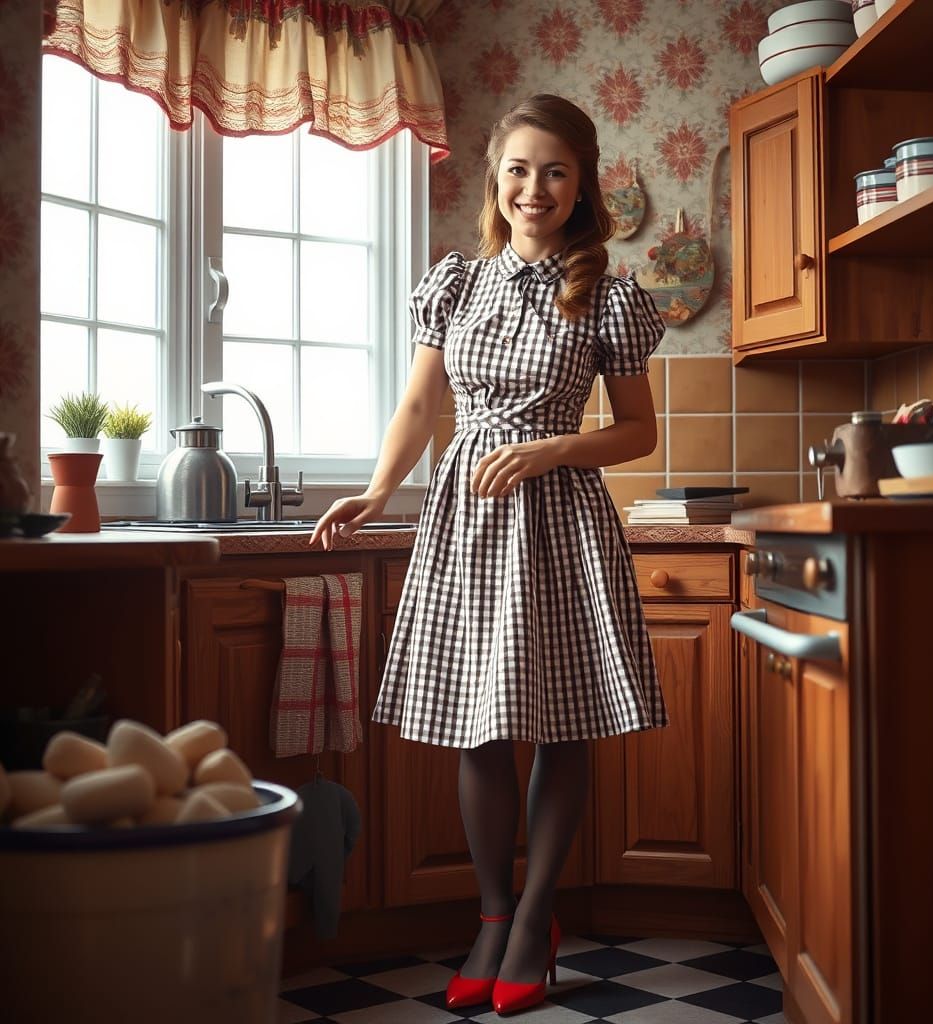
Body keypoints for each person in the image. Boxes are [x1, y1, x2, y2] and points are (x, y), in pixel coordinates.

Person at [311, 93, 669, 1017]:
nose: (533, 188)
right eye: (518, 169)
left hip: (561, 519)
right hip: (467, 521)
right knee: (479, 723)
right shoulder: (457, 284)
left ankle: (535, 916)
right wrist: (379, 488)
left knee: (561, 722)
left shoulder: (608, 293)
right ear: (495, 179)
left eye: (554, 170)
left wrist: (553, 447)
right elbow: (421, 409)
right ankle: (494, 913)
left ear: (582, 182)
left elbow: (638, 434)